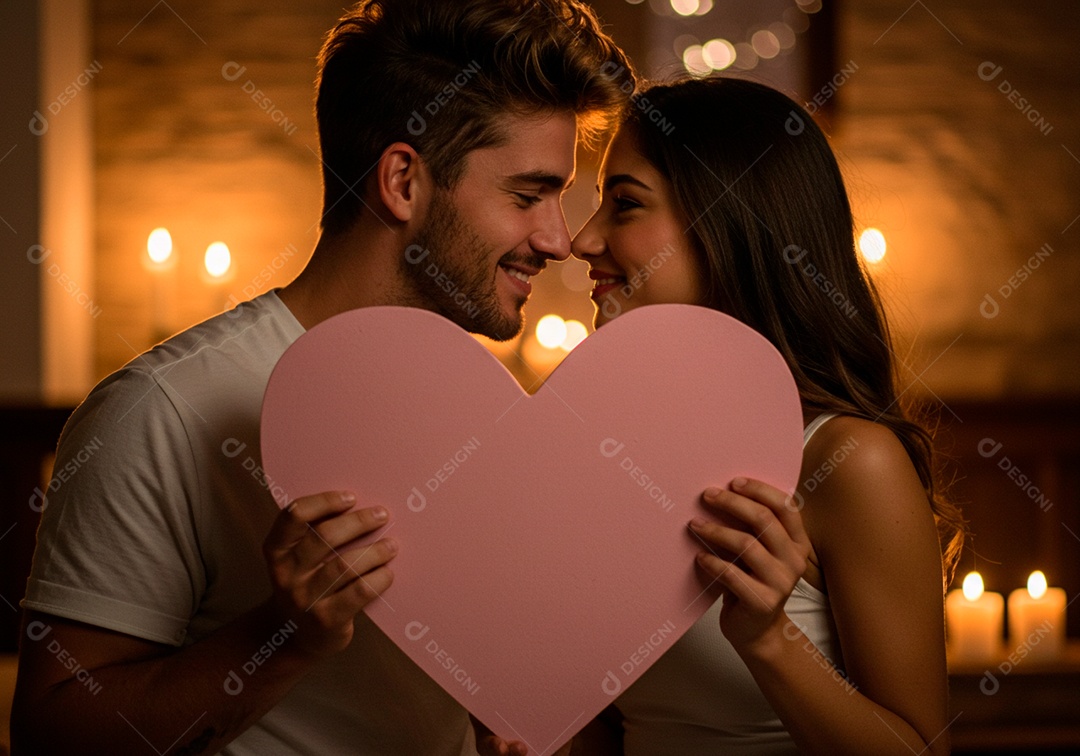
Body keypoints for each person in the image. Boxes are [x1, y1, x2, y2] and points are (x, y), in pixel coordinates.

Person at [11, 2, 631, 753]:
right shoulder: (161, 410)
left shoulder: (487, 414)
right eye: (528, 195)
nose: (559, 240)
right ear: (403, 182)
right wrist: (284, 635)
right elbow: (52, 735)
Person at [569, 76, 967, 754]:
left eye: (625, 205)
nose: (583, 239)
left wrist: (769, 639)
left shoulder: (849, 462)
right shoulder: (613, 453)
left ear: (730, 223)